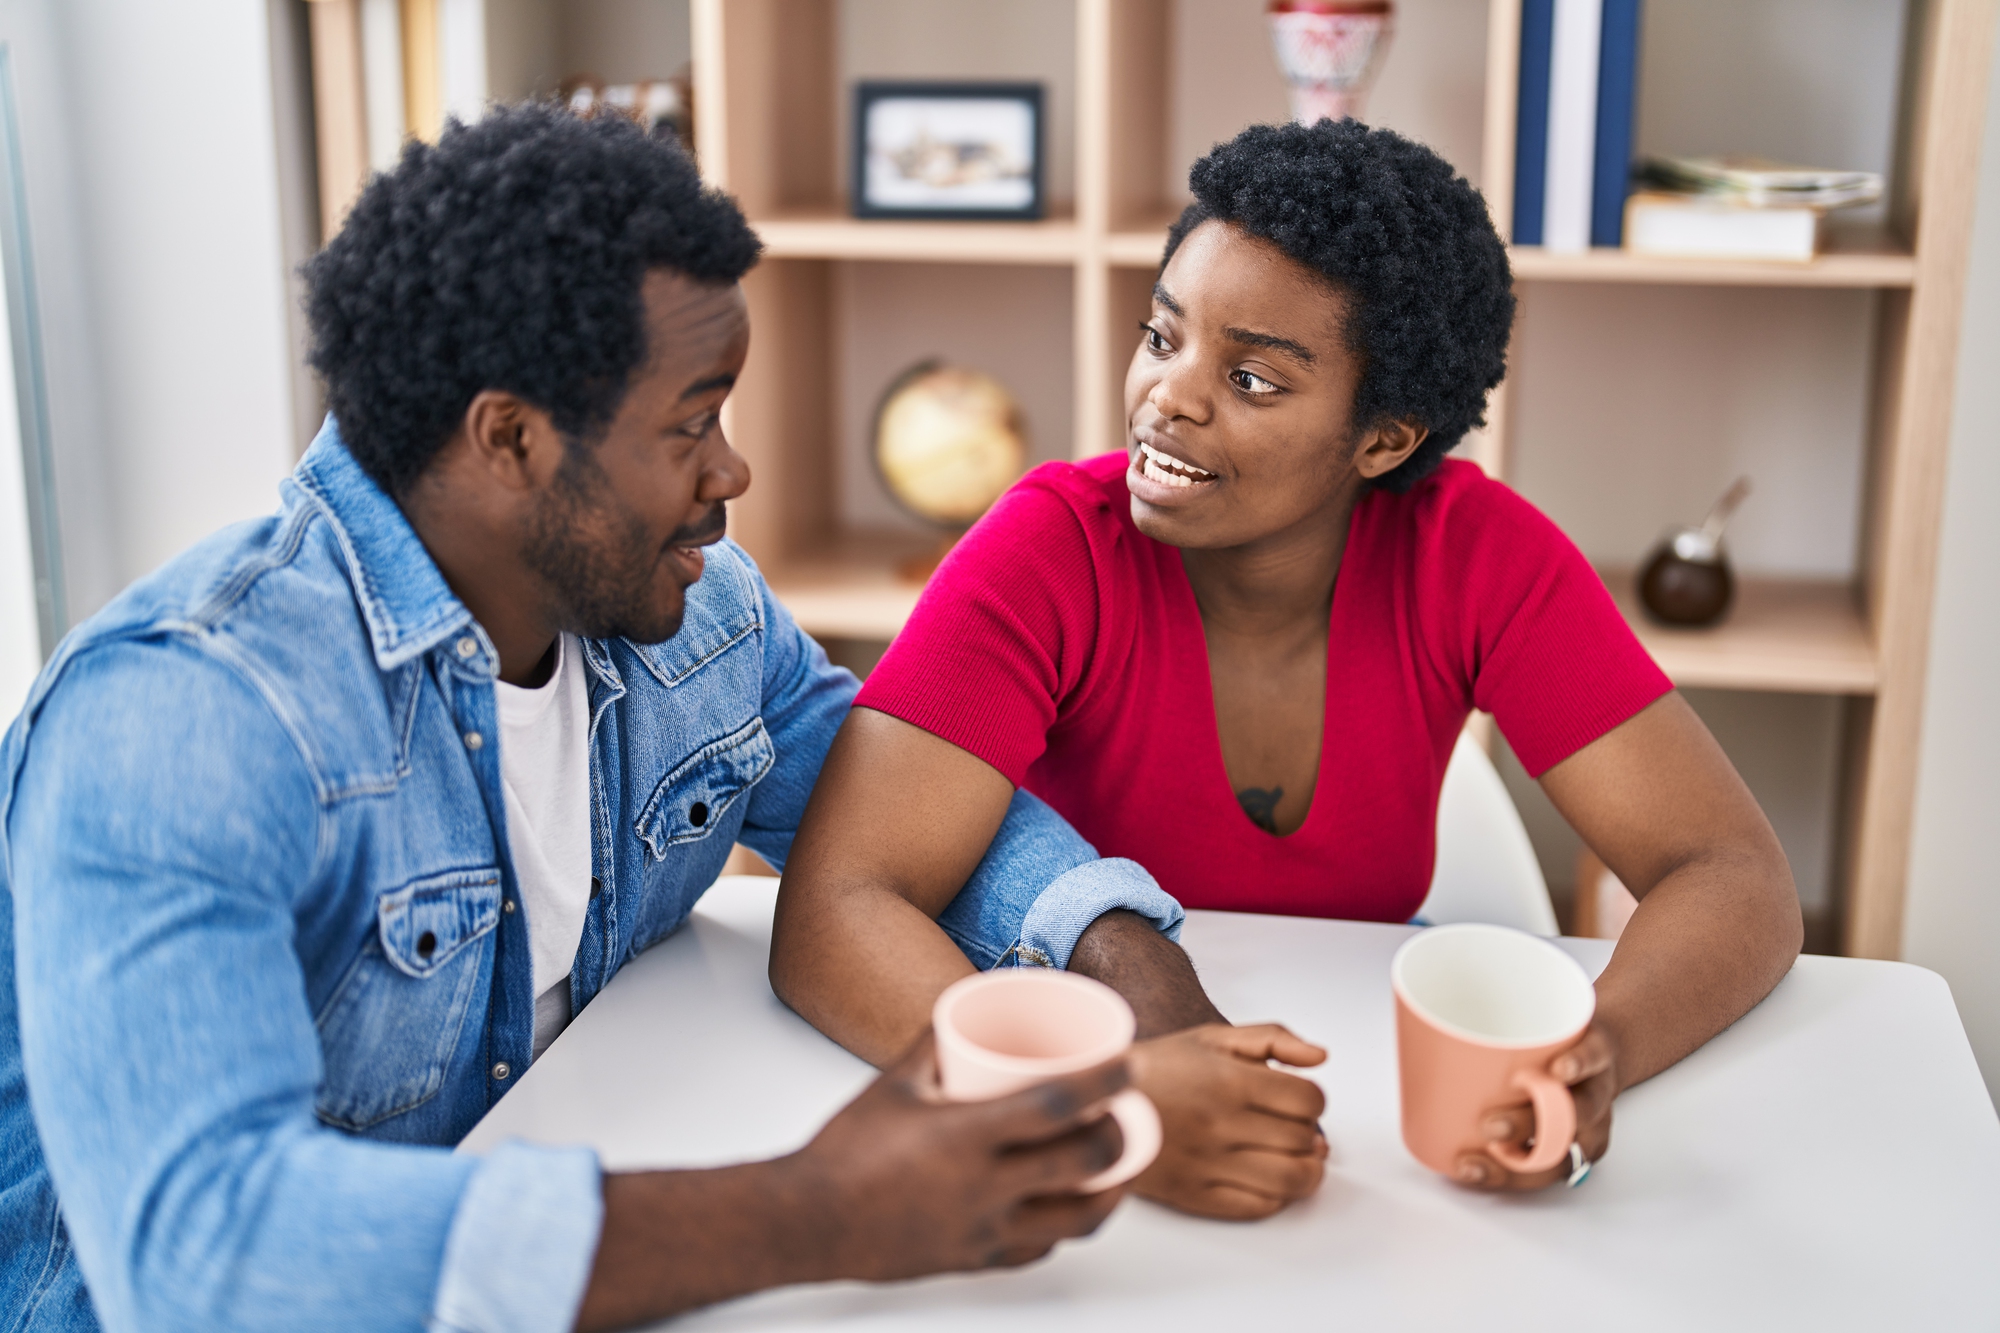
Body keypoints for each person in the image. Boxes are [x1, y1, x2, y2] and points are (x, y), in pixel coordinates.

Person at [0, 106, 1193, 1333]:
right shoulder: (181, 721)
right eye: (691, 423)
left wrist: (1134, 979)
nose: (732, 471)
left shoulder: (702, 621)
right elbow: (205, 1251)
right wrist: (821, 1210)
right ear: (508, 437)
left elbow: (900, 800)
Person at [769, 119, 1805, 1209]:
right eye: (1161, 336)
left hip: (1351, 1096)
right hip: (1082, 1092)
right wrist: (1099, 1104)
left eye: (1254, 378)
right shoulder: (1049, 549)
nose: (1169, 395)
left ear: (1382, 440)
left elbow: (1730, 874)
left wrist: (1596, 1050)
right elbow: (837, 911)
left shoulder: (1478, 557)